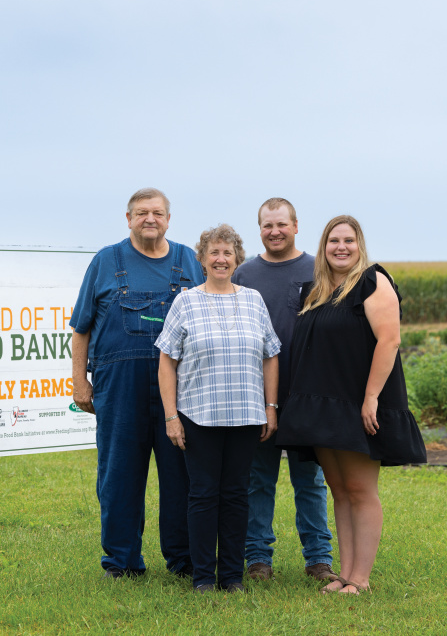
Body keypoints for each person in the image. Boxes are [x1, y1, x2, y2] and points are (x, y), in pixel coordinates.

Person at [276, 215, 427, 595]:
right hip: (323, 406)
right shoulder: (315, 291)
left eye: (348, 240)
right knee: (339, 490)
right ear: (323, 248)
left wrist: (372, 397)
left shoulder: (374, 281)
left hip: (360, 403)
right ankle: (345, 573)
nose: (340, 247)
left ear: (359, 245)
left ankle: (361, 578)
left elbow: (389, 341)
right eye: (333, 241)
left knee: (361, 490)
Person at [70, 188, 204, 579]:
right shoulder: (105, 262)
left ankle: (183, 560)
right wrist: (80, 382)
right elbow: (81, 330)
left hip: (179, 389)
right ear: (128, 218)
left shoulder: (189, 262)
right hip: (119, 388)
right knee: (119, 476)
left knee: (181, 475)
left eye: (158, 213)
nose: (150, 219)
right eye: (142, 213)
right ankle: (122, 562)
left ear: (168, 219)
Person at [155, 224, 281, 593]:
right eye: (214, 253)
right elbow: (167, 361)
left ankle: (231, 576)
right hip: (199, 416)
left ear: (237, 259)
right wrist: (171, 415)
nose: (221, 259)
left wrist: (270, 407)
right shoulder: (186, 301)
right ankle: (202, 577)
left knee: (236, 495)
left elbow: (270, 355)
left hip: (246, 416)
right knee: (203, 495)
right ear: (202, 259)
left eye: (227, 253)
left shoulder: (253, 300)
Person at [232, 198, 335, 583]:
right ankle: (258, 558)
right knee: (258, 480)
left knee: (309, 480)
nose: (274, 231)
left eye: (281, 224)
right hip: (255, 396)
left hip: (307, 395)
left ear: (295, 225)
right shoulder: (245, 273)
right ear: (259, 229)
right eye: (266, 225)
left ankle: (319, 558)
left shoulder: (317, 269)